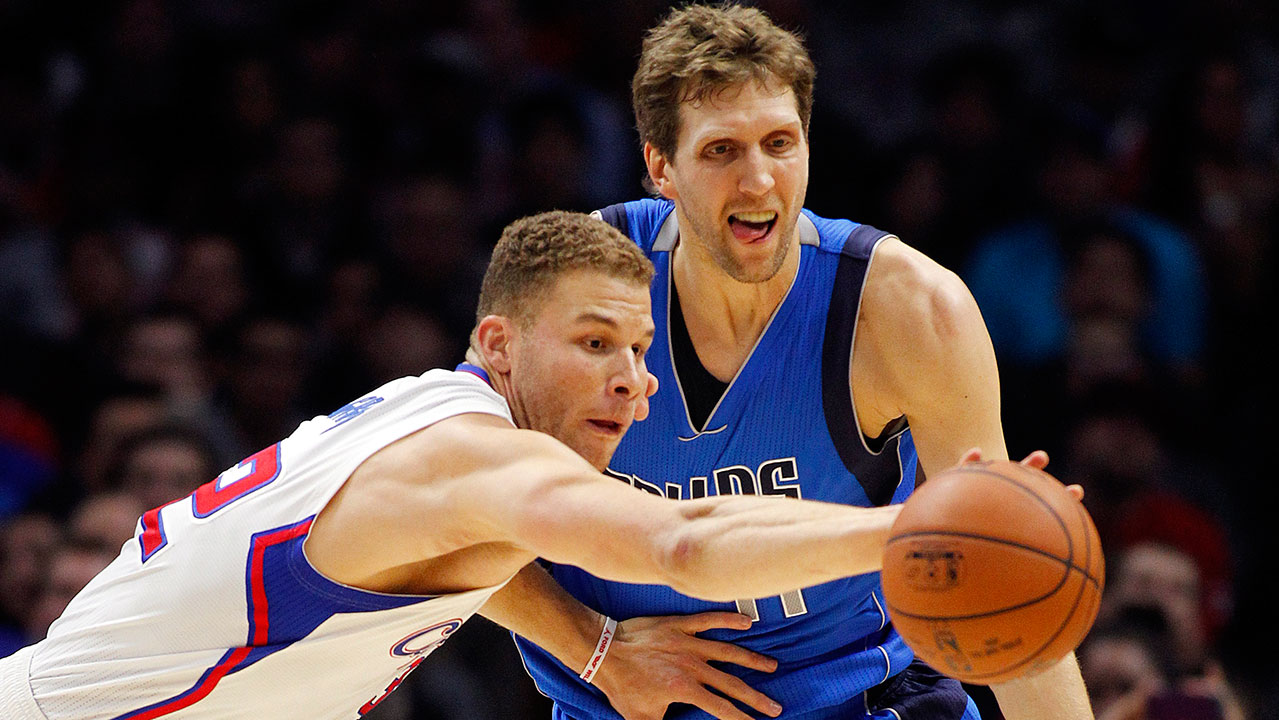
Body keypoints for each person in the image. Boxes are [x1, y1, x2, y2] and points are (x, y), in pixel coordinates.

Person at [0, 211, 927, 720]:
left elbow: (473, 564)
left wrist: (594, 648)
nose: (632, 381)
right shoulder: (473, 461)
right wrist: (915, 528)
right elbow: (683, 544)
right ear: (500, 343)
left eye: (641, 350)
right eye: (595, 343)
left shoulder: (435, 433)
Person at [508, 6, 1095, 720]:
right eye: (722, 150)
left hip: (856, 699)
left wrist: (1019, 541)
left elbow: (1001, 579)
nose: (759, 180)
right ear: (662, 167)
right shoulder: (573, 285)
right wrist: (595, 650)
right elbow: (446, 512)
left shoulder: (907, 310)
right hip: (623, 699)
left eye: (779, 143)